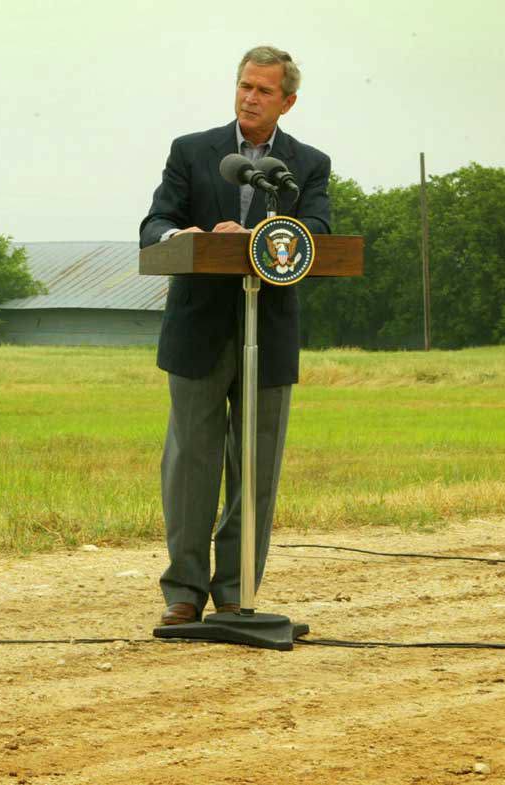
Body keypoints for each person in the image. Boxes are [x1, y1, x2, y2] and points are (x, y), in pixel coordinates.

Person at [138, 46, 331, 626]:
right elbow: (154, 222)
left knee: (257, 467)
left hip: (267, 333)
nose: (250, 97)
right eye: (244, 86)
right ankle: (185, 593)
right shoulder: (192, 150)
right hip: (198, 330)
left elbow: (318, 231)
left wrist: (257, 233)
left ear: (288, 102)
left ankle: (237, 588)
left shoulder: (308, 163)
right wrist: (184, 233)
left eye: (264, 91)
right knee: (190, 464)